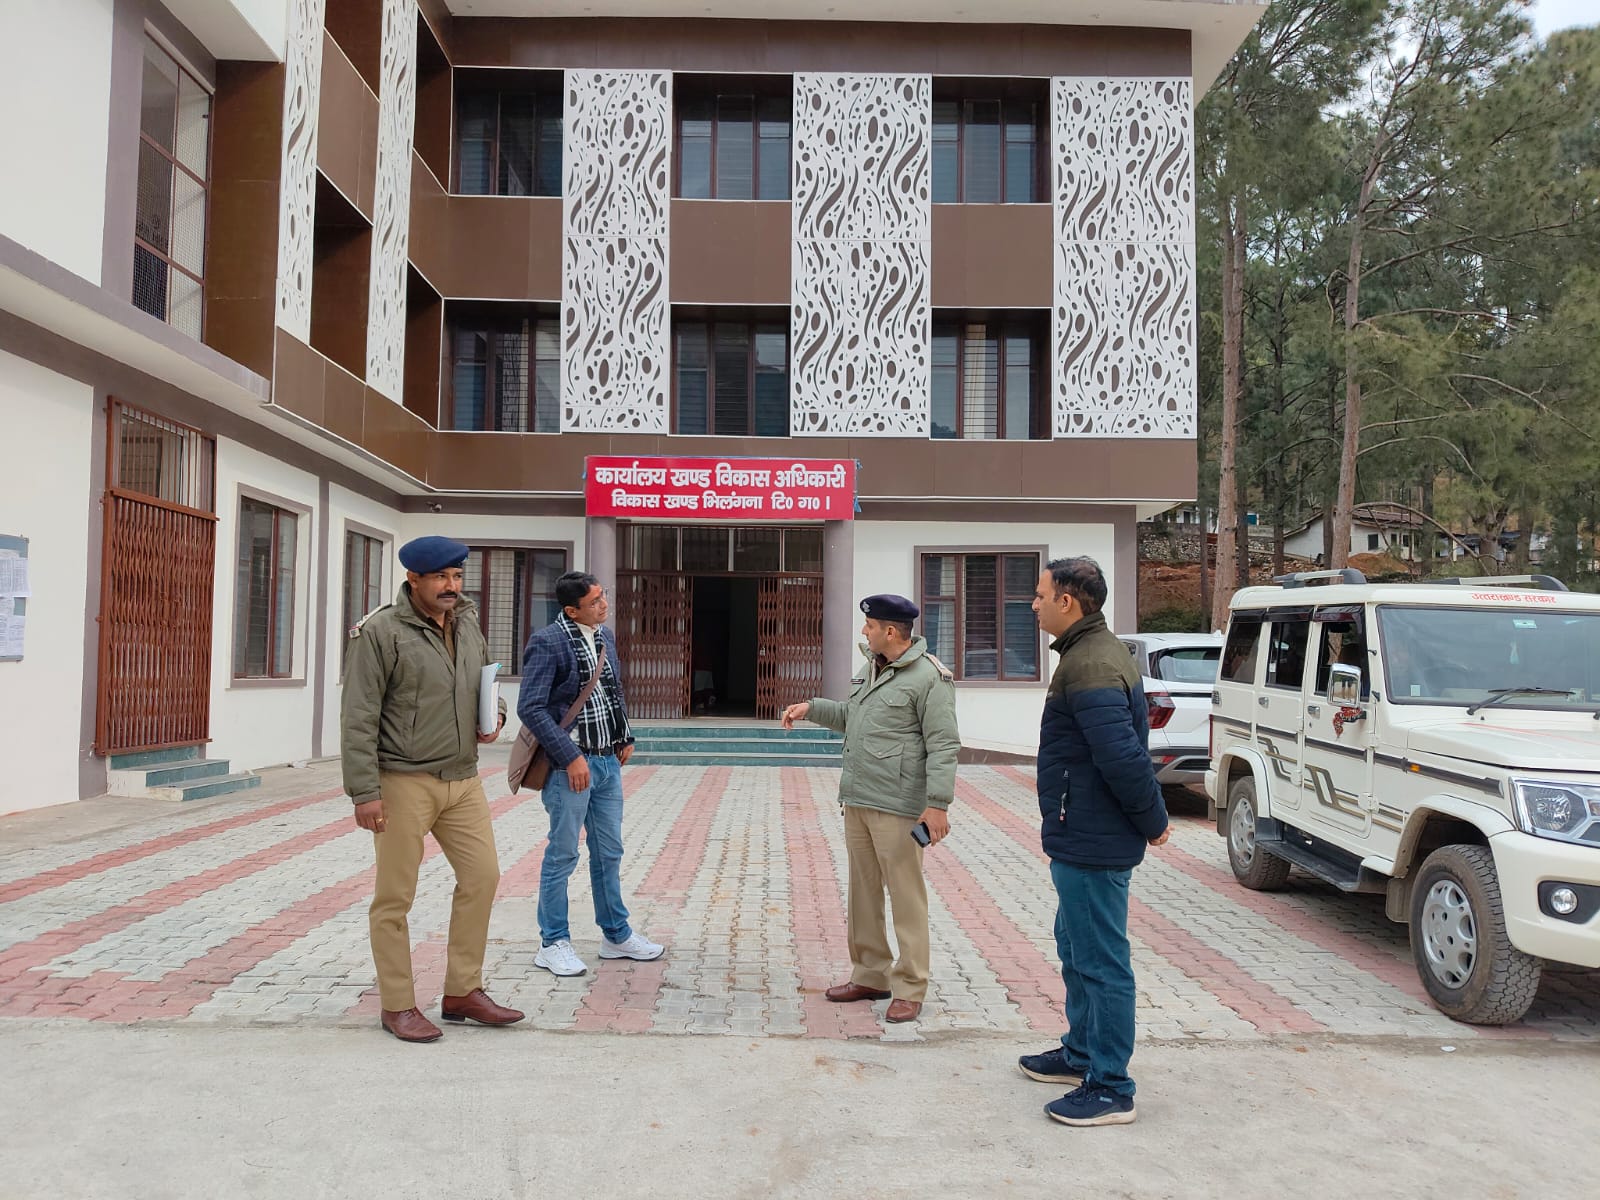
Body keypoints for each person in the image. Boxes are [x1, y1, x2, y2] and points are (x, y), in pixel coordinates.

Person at [340, 535, 524, 1043]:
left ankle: (463, 992)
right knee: (394, 897)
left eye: (457, 576)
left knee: (483, 877)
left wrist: (495, 716)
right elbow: (358, 716)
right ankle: (397, 1004)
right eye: (441, 577)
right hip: (403, 782)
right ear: (413, 579)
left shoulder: (467, 621)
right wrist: (364, 792)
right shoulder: (380, 632)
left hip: (462, 780)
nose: (451, 585)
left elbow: (486, 682)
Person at [1018, 556, 1169, 1126]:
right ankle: (1080, 1053)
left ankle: (1110, 1087)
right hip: (1079, 831)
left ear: (1067, 602)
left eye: (1040, 595)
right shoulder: (1086, 653)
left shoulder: (1093, 663)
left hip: (1094, 837)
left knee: (1102, 961)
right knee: (1076, 947)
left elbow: (1122, 757)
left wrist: (1154, 820)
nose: (1033, 605)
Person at [782, 594, 960, 1023]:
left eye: (871, 626)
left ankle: (910, 986)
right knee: (863, 894)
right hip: (859, 799)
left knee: (906, 897)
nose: (864, 631)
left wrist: (937, 805)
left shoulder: (929, 678)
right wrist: (812, 709)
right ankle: (870, 975)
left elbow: (943, 744)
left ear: (891, 631)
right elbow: (854, 716)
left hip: (898, 806)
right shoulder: (872, 668)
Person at [517, 571, 663, 976]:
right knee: (563, 854)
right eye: (595, 601)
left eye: (603, 596)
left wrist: (624, 734)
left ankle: (616, 935)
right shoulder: (548, 642)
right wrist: (569, 757)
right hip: (570, 768)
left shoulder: (604, 636)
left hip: (607, 763)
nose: (604, 605)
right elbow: (531, 707)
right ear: (571, 610)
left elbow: (613, 690)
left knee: (609, 852)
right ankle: (553, 942)